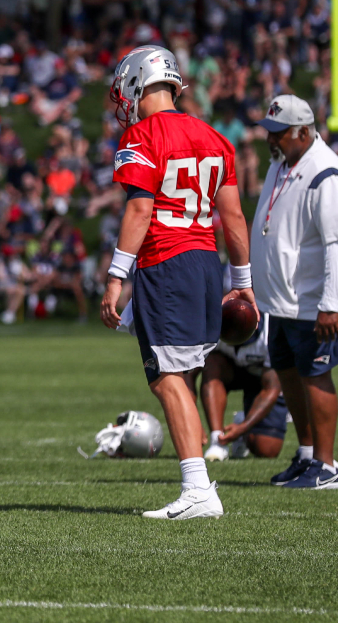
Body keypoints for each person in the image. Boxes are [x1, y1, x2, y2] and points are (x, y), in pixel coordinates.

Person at [100, 45, 256, 520]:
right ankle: (197, 487)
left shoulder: (143, 137)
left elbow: (140, 209)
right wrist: (242, 281)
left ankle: (198, 489)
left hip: (166, 262)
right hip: (205, 262)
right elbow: (232, 216)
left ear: (135, 83)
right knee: (180, 374)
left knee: (167, 378)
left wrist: (115, 277)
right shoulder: (213, 136)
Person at [249, 95, 338, 489]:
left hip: (309, 298)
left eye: (280, 133)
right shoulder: (282, 163)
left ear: (304, 131)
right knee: (288, 373)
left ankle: (327, 463)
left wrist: (331, 303)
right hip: (279, 299)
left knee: (316, 374)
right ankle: (305, 455)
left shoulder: (325, 171)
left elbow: (335, 242)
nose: (273, 140)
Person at [200, 314, 288, 461]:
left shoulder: (270, 332)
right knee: (212, 363)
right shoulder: (211, 328)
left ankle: (242, 421)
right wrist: (193, 419)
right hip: (231, 370)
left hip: (263, 381)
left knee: (267, 449)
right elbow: (187, 374)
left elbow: (271, 388)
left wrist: (243, 427)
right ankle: (217, 441)